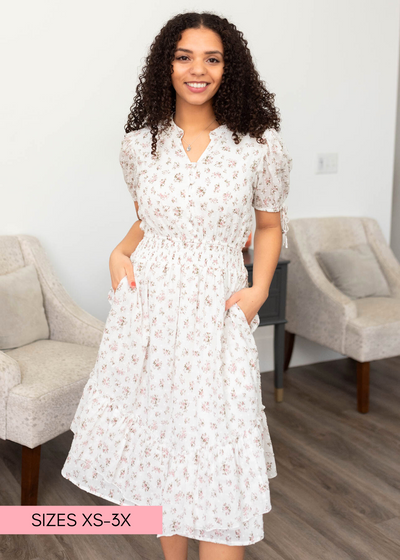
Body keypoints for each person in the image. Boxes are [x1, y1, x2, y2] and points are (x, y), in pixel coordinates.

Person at [61, 11, 292, 560]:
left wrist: (258, 289)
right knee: (161, 438)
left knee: (217, 445)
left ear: (228, 68)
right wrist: (121, 250)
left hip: (216, 307)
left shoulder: (258, 144)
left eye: (212, 58)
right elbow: (156, 216)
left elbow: (268, 225)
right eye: (184, 56)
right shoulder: (139, 146)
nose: (198, 69)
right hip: (152, 310)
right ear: (166, 65)